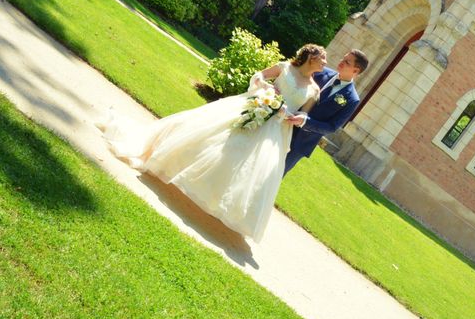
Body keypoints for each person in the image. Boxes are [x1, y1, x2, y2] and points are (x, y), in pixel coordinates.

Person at [98, 44, 326, 242]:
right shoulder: (284, 67)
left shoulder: (314, 90)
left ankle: (221, 203)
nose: (325, 63)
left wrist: (294, 117)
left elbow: (302, 116)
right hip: (254, 107)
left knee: (249, 166)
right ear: (311, 57)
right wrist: (266, 89)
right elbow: (258, 76)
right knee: (219, 140)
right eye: (322, 58)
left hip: (275, 130)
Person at [284, 49, 368, 174]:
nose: (342, 62)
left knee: (275, 176)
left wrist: (305, 121)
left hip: (301, 142)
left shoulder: (352, 99)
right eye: (343, 58)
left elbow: (331, 127)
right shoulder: (319, 73)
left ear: (356, 70)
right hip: (283, 125)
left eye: (347, 62)